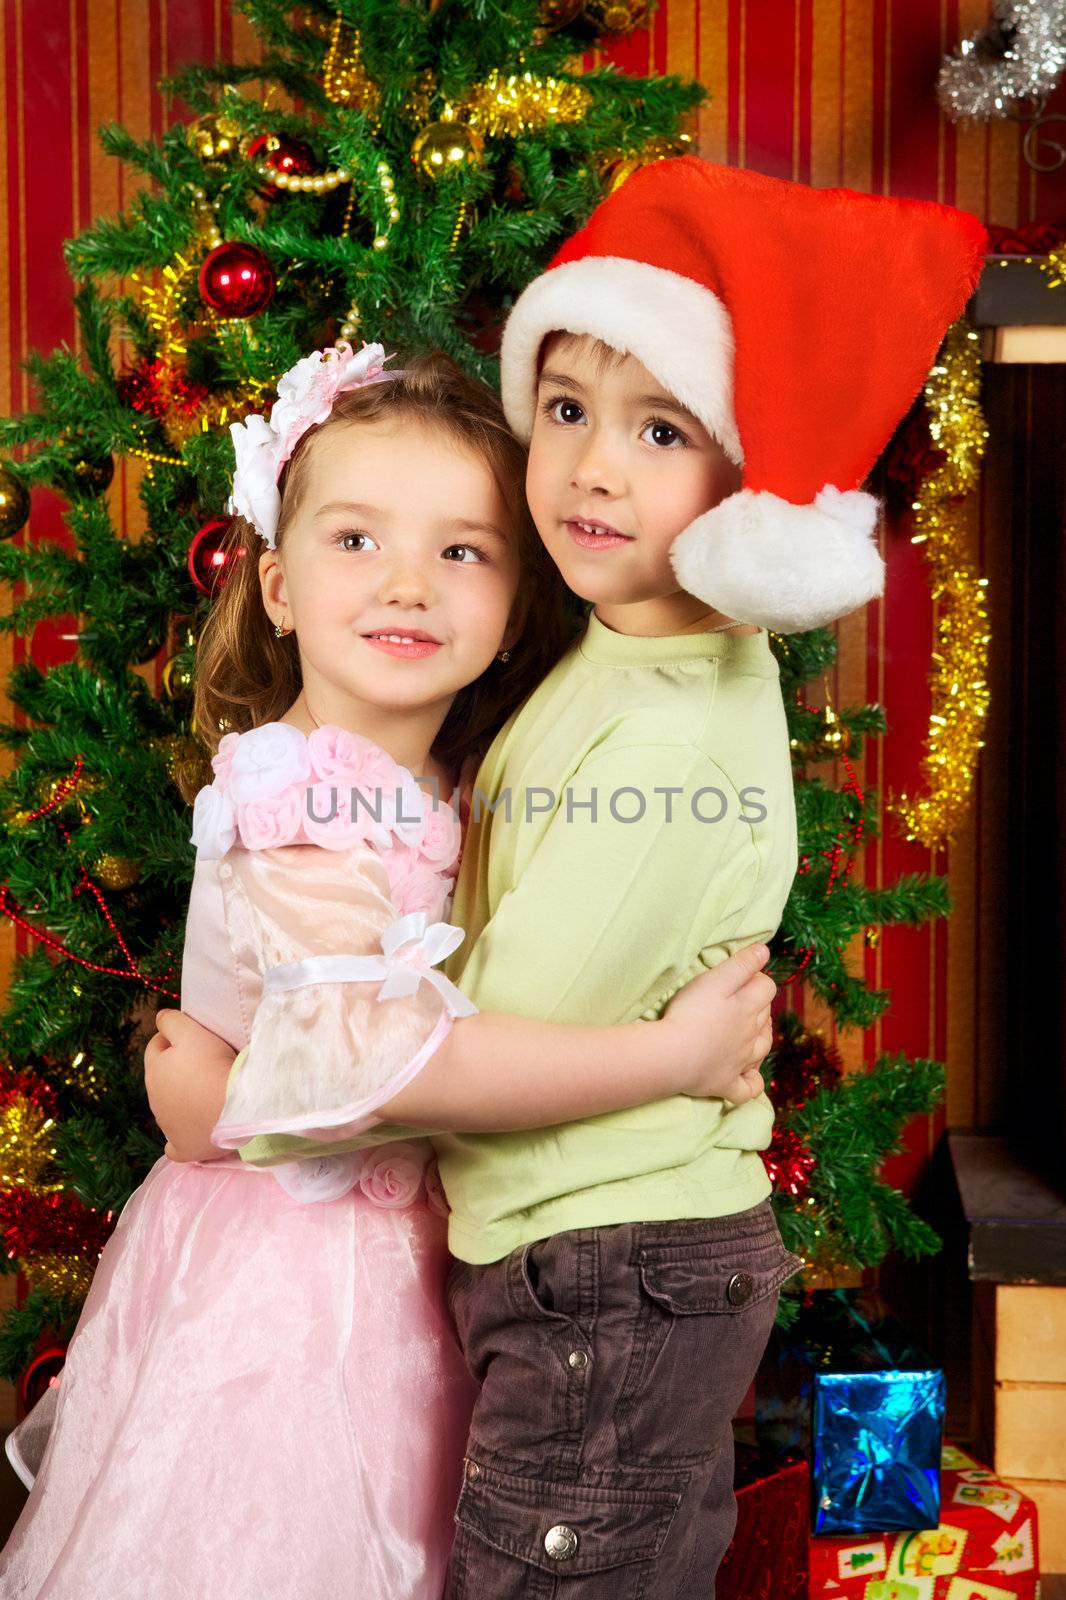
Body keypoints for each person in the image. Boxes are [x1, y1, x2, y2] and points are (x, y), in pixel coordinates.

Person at [206, 160, 986, 1597]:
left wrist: (273, 1076)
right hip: (591, 1257)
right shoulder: (607, 656)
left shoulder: (674, 718)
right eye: (564, 411)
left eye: (659, 429)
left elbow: (470, 1031)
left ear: (746, 471)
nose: (592, 469)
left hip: (609, 1261)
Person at [0, 341, 777, 1600]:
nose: (408, 582)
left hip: (441, 1258)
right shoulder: (293, 800)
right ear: (279, 586)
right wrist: (673, 1057)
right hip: (291, 1294)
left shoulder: (463, 782)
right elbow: (369, 1062)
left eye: (462, 551)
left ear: (517, 598)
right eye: (355, 540)